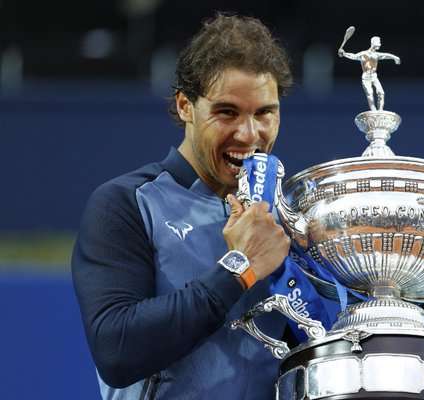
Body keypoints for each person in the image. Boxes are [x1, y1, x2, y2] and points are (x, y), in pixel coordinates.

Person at [72, 14, 293, 400]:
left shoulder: (289, 217)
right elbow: (117, 349)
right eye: (227, 112)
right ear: (185, 106)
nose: (248, 134)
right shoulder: (125, 204)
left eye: (264, 113)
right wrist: (241, 267)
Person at [338, 36, 401, 111]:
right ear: (373, 43)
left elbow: (386, 55)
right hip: (366, 77)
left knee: (381, 93)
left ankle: (380, 110)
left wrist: (395, 58)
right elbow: (354, 56)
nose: (380, 44)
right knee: (370, 93)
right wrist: (344, 53)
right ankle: (373, 110)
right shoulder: (364, 54)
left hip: (374, 76)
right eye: (378, 42)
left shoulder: (376, 55)